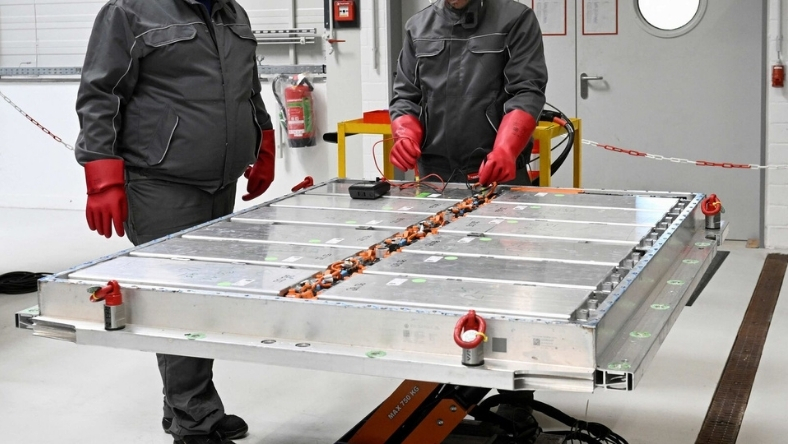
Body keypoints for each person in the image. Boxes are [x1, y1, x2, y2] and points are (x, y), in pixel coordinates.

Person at [75, 1, 274, 443]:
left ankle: (190, 406)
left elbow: (248, 86)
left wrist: (263, 140)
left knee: (203, 298)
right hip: (159, 182)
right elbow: (99, 92)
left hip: (219, 182)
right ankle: (194, 421)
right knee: (179, 299)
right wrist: (102, 176)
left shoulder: (232, 12)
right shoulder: (129, 12)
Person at [389, 0, 548, 186]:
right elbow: (406, 96)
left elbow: (527, 92)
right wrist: (405, 134)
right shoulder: (418, 27)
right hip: (434, 177)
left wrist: (506, 148)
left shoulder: (515, 19)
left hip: (495, 172)